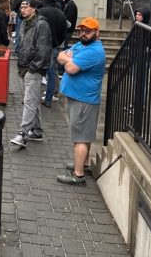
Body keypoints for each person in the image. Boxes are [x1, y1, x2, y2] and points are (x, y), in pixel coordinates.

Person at [55, 17, 106, 186]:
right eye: (81, 30)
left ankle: (78, 175)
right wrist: (69, 58)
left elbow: (70, 68)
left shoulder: (93, 51)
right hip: (80, 98)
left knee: (80, 138)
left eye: (88, 31)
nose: (83, 34)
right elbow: (60, 55)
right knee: (84, 135)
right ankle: (83, 164)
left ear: (97, 32)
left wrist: (69, 60)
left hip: (84, 100)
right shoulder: (82, 45)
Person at [11, 0, 52, 148]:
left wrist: (33, 67)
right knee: (32, 99)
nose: (22, 9)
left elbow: (43, 49)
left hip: (34, 68)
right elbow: (22, 44)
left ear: (34, 8)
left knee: (29, 100)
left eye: (25, 7)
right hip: (25, 66)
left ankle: (23, 133)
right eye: (21, 7)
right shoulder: (24, 23)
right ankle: (36, 130)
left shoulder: (41, 24)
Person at [39, 0, 67, 108]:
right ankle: (48, 99)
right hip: (54, 47)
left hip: (41, 47)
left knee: (36, 73)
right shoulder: (61, 14)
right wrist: (57, 42)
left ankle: (32, 98)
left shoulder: (41, 12)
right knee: (51, 74)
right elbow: (64, 33)